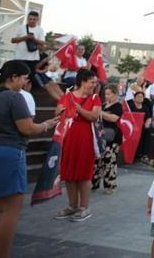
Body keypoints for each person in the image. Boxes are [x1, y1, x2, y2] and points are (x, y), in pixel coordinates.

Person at [0, 60, 59, 258]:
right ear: (14, 77)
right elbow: (27, 128)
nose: (26, 83)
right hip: (5, 153)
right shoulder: (14, 97)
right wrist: (46, 125)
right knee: (9, 211)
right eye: (25, 78)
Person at [55, 69, 102, 222]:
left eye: (95, 82)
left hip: (85, 138)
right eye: (92, 82)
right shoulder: (67, 96)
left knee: (84, 173)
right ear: (82, 81)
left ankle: (84, 207)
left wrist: (80, 110)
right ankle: (72, 206)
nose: (94, 85)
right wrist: (59, 111)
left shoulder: (95, 98)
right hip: (68, 138)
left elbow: (94, 116)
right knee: (69, 172)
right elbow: (58, 114)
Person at [92, 84, 122, 194]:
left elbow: (114, 118)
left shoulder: (118, 106)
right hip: (100, 136)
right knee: (96, 161)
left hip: (113, 138)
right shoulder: (103, 105)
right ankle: (94, 184)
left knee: (109, 162)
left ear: (115, 94)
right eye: (105, 94)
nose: (107, 96)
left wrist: (100, 113)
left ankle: (110, 185)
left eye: (109, 94)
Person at [128, 90, 153, 163]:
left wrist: (147, 124)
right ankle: (135, 154)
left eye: (141, 97)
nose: (140, 98)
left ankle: (145, 154)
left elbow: (149, 118)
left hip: (142, 126)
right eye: (138, 97)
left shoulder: (145, 107)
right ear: (134, 98)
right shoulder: (130, 106)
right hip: (132, 126)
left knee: (148, 131)